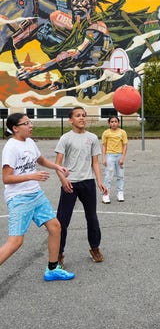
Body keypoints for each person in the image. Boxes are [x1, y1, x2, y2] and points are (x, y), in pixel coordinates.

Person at [0, 113, 75, 281]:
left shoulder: (30, 142)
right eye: (26, 123)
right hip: (19, 198)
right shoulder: (11, 147)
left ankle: (52, 268)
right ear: (15, 128)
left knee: (55, 227)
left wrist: (58, 167)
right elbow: (6, 178)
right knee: (16, 242)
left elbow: (40, 159)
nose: (31, 125)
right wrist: (31, 176)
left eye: (30, 122)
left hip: (36, 195)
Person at [55, 107, 107, 266]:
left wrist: (99, 181)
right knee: (63, 220)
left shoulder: (92, 138)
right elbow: (57, 165)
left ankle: (95, 248)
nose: (82, 118)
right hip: (70, 183)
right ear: (71, 120)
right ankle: (58, 254)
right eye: (78, 116)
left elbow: (95, 163)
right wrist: (64, 180)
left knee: (92, 217)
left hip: (88, 182)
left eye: (84, 115)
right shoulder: (65, 138)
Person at [101, 115, 128, 203]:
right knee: (108, 175)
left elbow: (125, 145)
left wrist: (123, 158)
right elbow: (104, 145)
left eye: (115, 121)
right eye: (112, 122)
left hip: (119, 155)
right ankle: (106, 194)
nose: (114, 123)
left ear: (118, 123)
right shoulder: (106, 133)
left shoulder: (122, 132)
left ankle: (120, 193)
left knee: (120, 175)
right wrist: (104, 158)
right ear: (109, 123)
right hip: (110, 155)